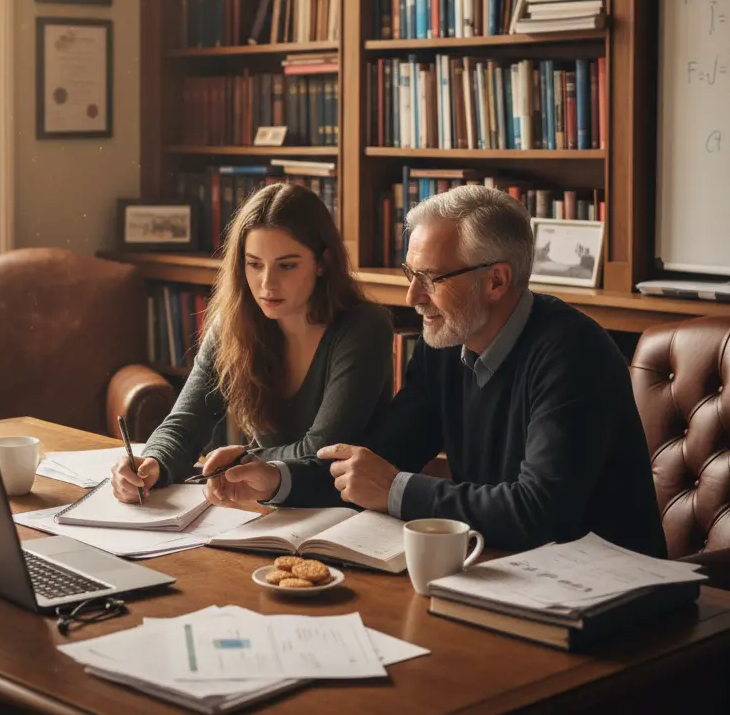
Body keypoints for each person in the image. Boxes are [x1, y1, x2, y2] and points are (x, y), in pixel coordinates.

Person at [204, 184, 667, 558]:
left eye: (432, 279)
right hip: (499, 569)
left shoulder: (572, 353)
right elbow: (375, 461)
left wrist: (396, 489)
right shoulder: (445, 344)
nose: (413, 298)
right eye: (411, 275)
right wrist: (275, 477)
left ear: (496, 281)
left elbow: (539, 511)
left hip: (607, 598)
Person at [110, 181, 393, 503]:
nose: (267, 284)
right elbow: (187, 423)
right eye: (254, 264)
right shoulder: (233, 324)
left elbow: (323, 450)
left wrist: (242, 460)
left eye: (287, 265)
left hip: (345, 508)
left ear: (322, 262)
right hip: (266, 503)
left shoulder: (363, 328)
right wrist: (152, 463)